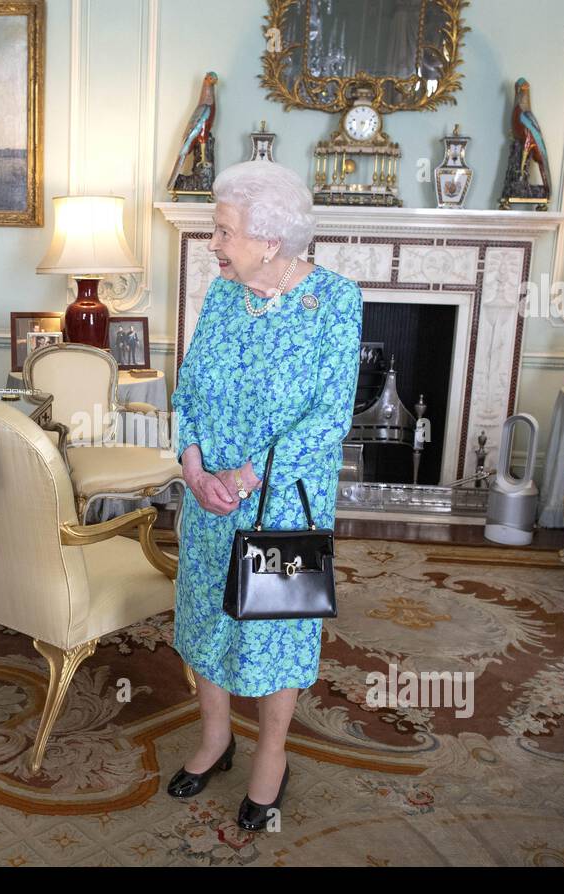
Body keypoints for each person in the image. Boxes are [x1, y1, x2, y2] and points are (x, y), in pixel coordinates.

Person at [168, 160, 362, 830]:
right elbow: (188, 388)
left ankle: (271, 755)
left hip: (282, 504)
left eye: (223, 230)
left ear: (269, 240)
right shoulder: (223, 292)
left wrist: (246, 478)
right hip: (209, 499)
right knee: (203, 620)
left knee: (275, 631)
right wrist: (194, 469)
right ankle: (216, 740)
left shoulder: (336, 301)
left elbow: (328, 417)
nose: (213, 242)